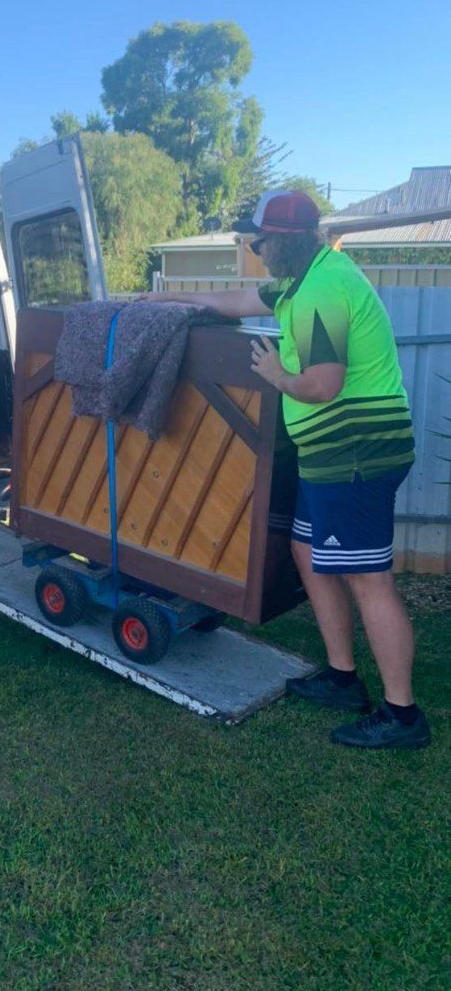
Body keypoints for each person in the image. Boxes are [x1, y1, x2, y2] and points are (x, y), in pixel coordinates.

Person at [144, 189, 430, 749]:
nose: (257, 251)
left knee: (368, 579)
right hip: (331, 456)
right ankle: (343, 677)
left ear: (287, 241)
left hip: (356, 454)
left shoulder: (323, 290)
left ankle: (402, 716)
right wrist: (163, 301)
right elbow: (238, 299)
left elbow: (322, 385)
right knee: (307, 551)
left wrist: (276, 375)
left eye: (260, 241)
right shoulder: (302, 280)